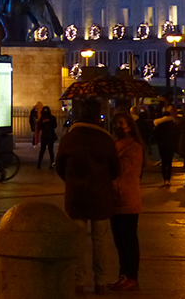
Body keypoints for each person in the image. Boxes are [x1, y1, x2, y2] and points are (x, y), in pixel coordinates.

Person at [56, 98, 120, 295]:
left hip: (77, 196)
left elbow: (59, 166)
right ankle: (100, 282)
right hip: (100, 196)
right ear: (97, 116)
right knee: (100, 241)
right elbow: (116, 170)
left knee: (78, 240)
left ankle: (78, 281)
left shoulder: (70, 138)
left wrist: (72, 180)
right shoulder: (106, 139)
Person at [109, 111, 145, 292]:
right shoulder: (114, 144)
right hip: (114, 200)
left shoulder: (134, 147)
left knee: (128, 241)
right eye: (116, 122)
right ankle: (123, 275)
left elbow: (120, 168)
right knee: (119, 242)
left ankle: (132, 276)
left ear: (129, 125)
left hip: (127, 199)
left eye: (121, 123)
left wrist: (109, 156)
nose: (118, 126)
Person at [152, 106, 179, 186]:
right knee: (169, 162)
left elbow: (154, 135)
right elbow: (177, 135)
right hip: (170, 145)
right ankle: (168, 179)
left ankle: (164, 179)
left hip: (162, 145)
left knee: (163, 162)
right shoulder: (173, 125)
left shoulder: (159, 125)